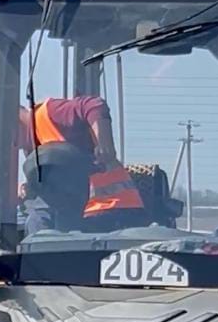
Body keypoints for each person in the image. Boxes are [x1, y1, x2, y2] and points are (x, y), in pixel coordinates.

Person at [18, 96, 146, 234]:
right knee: (36, 221)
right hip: (79, 215)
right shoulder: (31, 148)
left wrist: (104, 143)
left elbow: (94, 104)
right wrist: (30, 190)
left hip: (116, 210)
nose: (13, 146)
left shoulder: (48, 113)